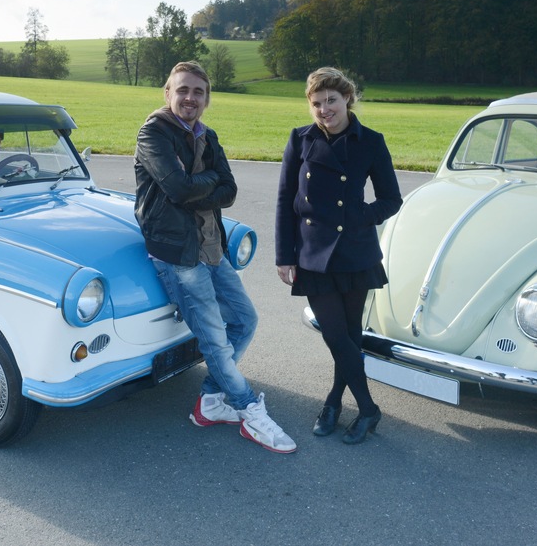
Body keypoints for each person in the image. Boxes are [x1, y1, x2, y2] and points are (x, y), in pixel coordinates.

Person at [134, 61, 296, 454]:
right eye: (183, 90)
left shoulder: (208, 135)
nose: (190, 98)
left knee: (244, 320)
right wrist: (203, 185)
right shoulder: (153, 133)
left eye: (199, 92)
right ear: (167, 93)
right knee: (214, 340)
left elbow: (230, 191)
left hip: (209, 244)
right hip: (177, 252)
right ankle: (248, 410)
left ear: (207, 99)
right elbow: (176, 188)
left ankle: (209, 401)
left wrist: (195, 187)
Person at [274, 67, 403, 445]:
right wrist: (285, 255)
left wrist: (358, 217)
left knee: (347, 337)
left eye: (331, 100)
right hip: (313, 254)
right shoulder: (300, 140)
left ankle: (333, 401)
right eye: (316, 103)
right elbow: (285, 201)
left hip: (354, 252)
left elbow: (390, 199)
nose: (324, 109)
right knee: (335, 334)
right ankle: (367, 408)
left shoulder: (371, 142)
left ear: (348, 98)